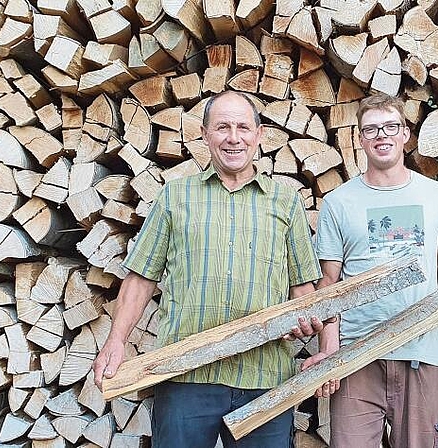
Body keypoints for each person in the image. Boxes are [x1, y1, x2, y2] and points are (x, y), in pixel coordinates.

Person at [92, 91, 325, 448]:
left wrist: (308, 320)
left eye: (243, 127)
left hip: (263, 378)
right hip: (186, 375)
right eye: (223, 127)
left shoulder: (286, 201)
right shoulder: (176, 196)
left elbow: (302, 288)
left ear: (259, 135)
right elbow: (141, 276)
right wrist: (116, 339)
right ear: (205, 134)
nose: (234, 137)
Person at [305, 93, 438, 448]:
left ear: (406, 134)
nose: (381, 136)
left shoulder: (433, 194)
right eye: (371, 129)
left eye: (391, 126)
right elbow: (329, 285)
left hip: (420, 351)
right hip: (357, 356)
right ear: (359, 139)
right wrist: (329, 353)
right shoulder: (338, 202)